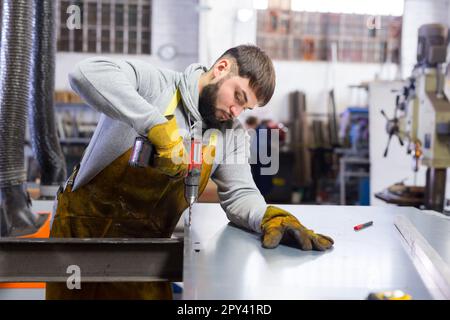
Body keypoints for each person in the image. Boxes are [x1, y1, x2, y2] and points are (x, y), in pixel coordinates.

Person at [46, 45, 334, 300]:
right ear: (221, 68)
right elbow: (84, 73)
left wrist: (268, 216)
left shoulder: (231, 135)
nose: (235, 111)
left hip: (146, 252)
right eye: (237, 96)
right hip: (81, 239)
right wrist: (154, 125)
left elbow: (241, 194)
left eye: (245, 107)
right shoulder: (156, 85)